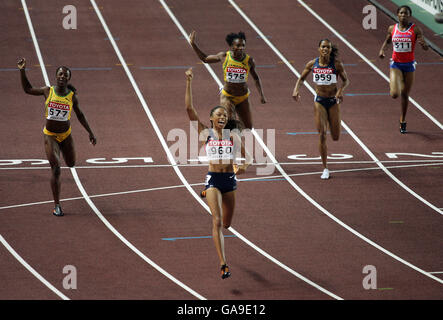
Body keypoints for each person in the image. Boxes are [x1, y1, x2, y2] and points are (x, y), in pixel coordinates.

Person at [185, 67, 252, 279]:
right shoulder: (206, 133)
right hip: (213, 179)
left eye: (225, 114)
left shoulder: (233, 136)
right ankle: (223, 264)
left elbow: (248, 158)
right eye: (219, 114)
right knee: (216, 221)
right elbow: (189, 109)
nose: (223, 116)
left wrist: (243, 167)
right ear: (212, 119)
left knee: (227, 224)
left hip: (229, 181)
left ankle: (207, 194)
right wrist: (189, 81)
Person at [18, 58, 97, 216]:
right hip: (50, 136)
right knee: (56, 169)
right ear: (56, 76)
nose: (62, 77)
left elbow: (80, 115)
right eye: (60, 74)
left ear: (68, 79)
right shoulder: (48, 91)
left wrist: (90, 132)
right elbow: (28, 89)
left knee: (72, 163)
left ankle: (61, 154)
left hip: (66, 135)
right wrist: (22, 70)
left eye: (65, 75)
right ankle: (57, 206)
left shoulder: (71, 96)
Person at [292, 39, 350, 180]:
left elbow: (346, 80)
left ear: (330, 50)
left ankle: (331, 121)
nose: (325, 49)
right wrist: (296, 90)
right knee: (322, 134)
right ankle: (325, 168)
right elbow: (301, 79)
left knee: (335, 136)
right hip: (319, 101)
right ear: (319, 48)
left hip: (333, 101)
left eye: (328, 47)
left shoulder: (336, 64)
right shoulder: (312, 64)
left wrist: (341, 90)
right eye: (323, 47)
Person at [189, 30, 266, 130]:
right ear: (232, 46)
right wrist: (193, 44)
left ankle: (224, 132)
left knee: (248, 127)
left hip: (243, 96)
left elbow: (256, 78)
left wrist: (261, 95)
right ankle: (225, 140)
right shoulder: (224, 57)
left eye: (243, 45)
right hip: (228, 96)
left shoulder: (249, 60)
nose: (241, 48)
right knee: (229, 124)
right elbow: (205, 58)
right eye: (238, 46)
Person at [378, 5, 429, 133]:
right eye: (401, 13)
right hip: (396, 64)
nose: (403, 15)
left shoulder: (415, 29)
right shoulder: (392, 28)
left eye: (406, 13)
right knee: (395, 94)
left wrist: (424, 45)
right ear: (397, 15)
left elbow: (425, 46)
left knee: (405, 95)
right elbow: (388, 41)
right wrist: (382, 50)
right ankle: (397, 80)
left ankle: (403, 120)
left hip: (409, 65)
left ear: (409, 15)